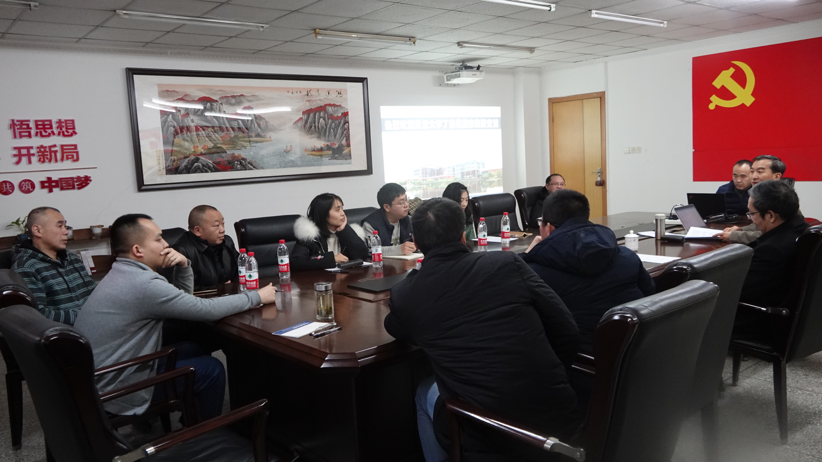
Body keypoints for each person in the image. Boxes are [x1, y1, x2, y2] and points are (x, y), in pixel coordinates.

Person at [385, 198, 581, 461]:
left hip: (488, 431)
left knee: (424, 392)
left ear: (416, 243)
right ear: (463, 235)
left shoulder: (407, 294)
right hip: (559, 414)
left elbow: (395, 327)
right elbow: (567, 330)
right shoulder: (505, 264)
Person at [74, 214, 277, 420]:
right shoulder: (143, 284)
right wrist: (256, 297)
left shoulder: (123, 272)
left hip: (106, 374)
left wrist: (184, 266)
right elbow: (205, 309)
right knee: (212, 370)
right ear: (138, 250)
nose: (166, 244)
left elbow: (184, 304)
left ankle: (192, 416)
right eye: (158, 239)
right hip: (117, 389)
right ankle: (205, 433)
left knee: (194, 348)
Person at [521, 190, 655, 353]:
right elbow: (651, 296)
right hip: (640, 352)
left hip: (584, 360)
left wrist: (526, 258)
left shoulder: (535, 275)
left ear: (548, 228)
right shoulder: (627, 256)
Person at [732, 180, 808, 343]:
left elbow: (738, 291)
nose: (752, 220)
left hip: (762, 323)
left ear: (771, 216)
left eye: (752, 214)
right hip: (795, 321)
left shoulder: (773, 250)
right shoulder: (803, 231)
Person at [11, 207, 95, 325]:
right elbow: (37, 315)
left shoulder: (72, 258)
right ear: (37, 230)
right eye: (59, 226)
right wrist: (87, 317)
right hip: (70, 332)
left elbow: (93, 292)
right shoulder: (25, 267)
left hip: (96, 324)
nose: (66, 232)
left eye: (65, 226)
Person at [716, 155, 786, 244]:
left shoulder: (781, 197)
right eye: (752, 172)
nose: (753, 176)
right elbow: (760, 224)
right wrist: (741, 229)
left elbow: (771, 234)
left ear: (776, 176)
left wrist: (734, 236)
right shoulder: (764, 194)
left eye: (760, 172)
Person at [292, 193, 370, 270]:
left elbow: (362, 255)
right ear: (323, 214)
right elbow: (295, 262)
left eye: (342, 209)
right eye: (337, 210)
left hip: (345, 276)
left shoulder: (346, 232)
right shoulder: (309, 235)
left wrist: (345, 230)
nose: (343, 214)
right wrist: (331, 259)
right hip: (319, 278)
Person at [172, 205, 238, 291]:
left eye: (223, 223)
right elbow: (180, 289)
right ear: (198, 231)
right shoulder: (181, 251)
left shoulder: (227, 242)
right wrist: (220, 288)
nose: (222, 230)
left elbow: (242, 269)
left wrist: (234, 284)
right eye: (217, 225)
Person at [362, 183, 416, 255]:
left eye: (406, 200)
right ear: (387, 207)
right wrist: (398, 249)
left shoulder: (409, 220)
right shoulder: (370, 225)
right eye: (402, 202)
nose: (406, 205)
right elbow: (370, 250)